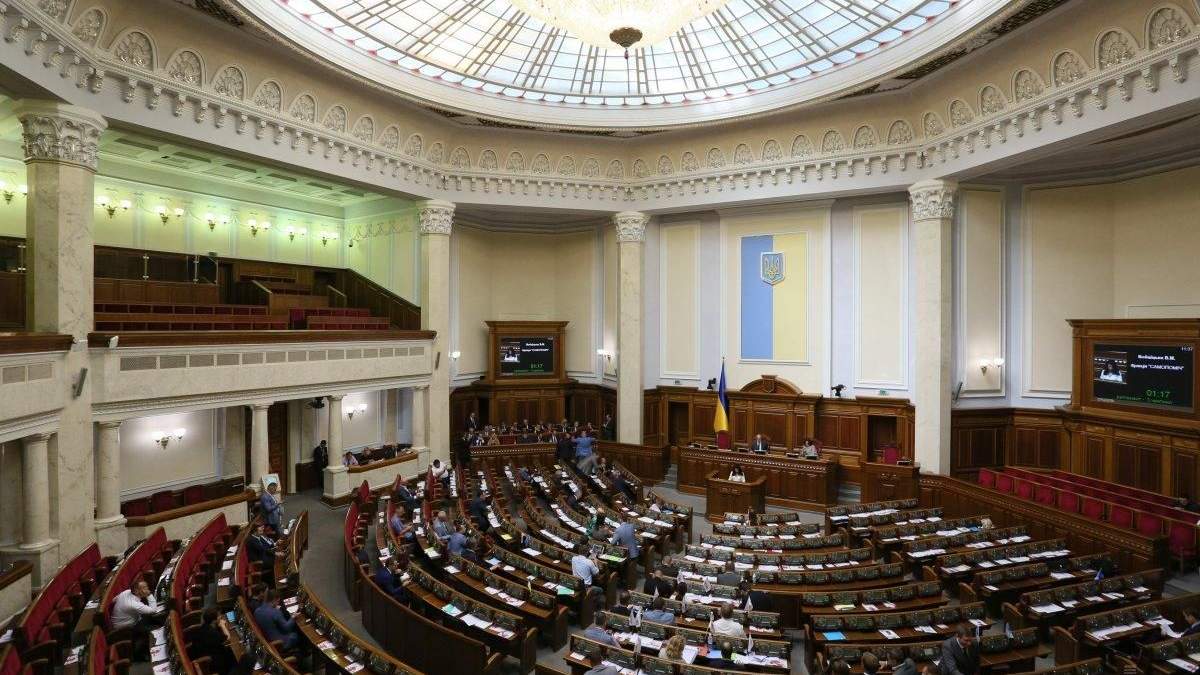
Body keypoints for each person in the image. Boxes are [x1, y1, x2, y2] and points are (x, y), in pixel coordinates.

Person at [111, 579, 164, 651]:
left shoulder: (126, 592)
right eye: (144, 588)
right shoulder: (133, 604)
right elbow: (153, 610)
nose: (147, 589)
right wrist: (149, 595)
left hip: (126, 621)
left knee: (154, 619)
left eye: (146, 586)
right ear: (136, 591)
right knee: (156, 628)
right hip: (126, 628)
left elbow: (113, 600)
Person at [191, 608, 235, 675]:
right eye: (219, 616)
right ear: (214, 620)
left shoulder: (204, 626)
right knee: (230, 653)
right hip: (211, 661)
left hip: (203, 653)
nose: (220, 617)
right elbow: (228, 638)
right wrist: (222, 625)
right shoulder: (213, 633)